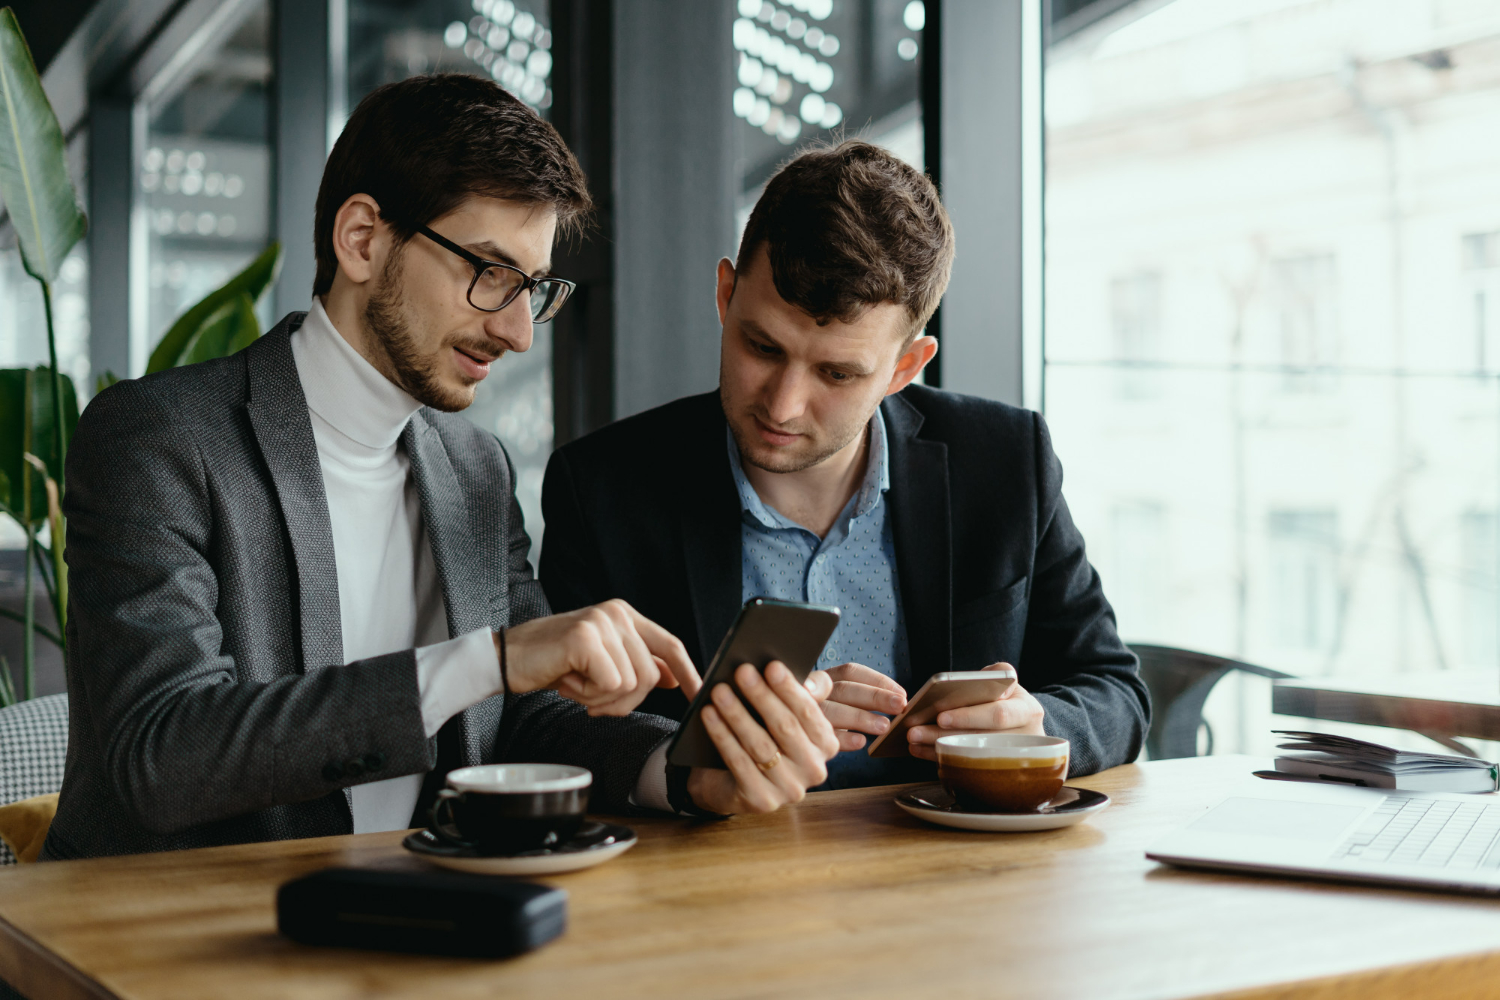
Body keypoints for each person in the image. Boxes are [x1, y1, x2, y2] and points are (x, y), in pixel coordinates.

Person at [43, 75, 836, 861]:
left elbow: (524, 717)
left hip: (409, 926)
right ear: (362, 240)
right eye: (490, 274)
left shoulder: (473, 470)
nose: (521, 333)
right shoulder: (157, 439)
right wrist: (487, 660)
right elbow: (161, 757)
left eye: (533, 288)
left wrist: (688, 772)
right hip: (164, 950)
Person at [540, 140, 1149, 790]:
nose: (784, 404)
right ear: (725, 295)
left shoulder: (1004, 461)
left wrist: (1037, 726)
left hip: (960, 876)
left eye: (837, 372)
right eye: (762, 346)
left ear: (905, 368)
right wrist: (717, 745)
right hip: (716, 879)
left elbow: (1115, 692)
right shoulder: (602, 488)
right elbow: (553, 726)